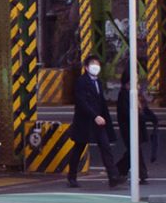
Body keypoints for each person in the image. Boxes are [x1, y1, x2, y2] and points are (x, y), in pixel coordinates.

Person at [64, 56, 122, 188]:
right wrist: (95, 116)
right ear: (86, 67)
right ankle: (71, 176)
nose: (96, 67)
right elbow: (81, 102)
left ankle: (113, 177)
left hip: (98, 121)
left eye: (98, 64)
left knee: (105, 147)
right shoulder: (81, 82)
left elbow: (101, 102)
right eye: (93, 64)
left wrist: (103, 117)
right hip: (85, 121)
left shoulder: (98, 82)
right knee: (79, 147)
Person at [116, 77, 158, 183]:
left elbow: (144, 108)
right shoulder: (124, 96)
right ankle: (142, 174)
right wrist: (145, 118)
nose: (137, 86)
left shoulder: (137, 95)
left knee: (133, 151)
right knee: (135, 151)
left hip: (138, 127)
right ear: (127, 84)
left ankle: (119, 169)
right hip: (128, 128)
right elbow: (128, 113)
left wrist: (153, 117)